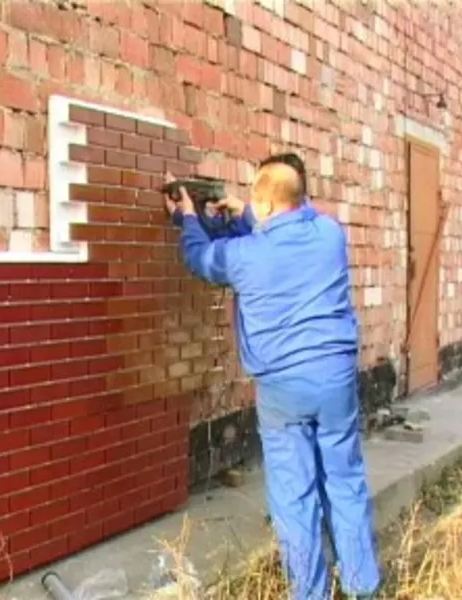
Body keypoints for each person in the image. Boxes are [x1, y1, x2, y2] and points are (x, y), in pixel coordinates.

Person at [165, 160, 380, 600]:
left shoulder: (245, 255)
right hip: (335, 380)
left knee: (294, 496)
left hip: (283, 390)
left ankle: (310, 593)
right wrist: (250, 210)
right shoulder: (331, 234)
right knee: (345, 482)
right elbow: (289, 224)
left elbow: (201, 259)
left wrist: (188, 215)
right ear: (300, 197)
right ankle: (363, 587)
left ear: (264, 202)